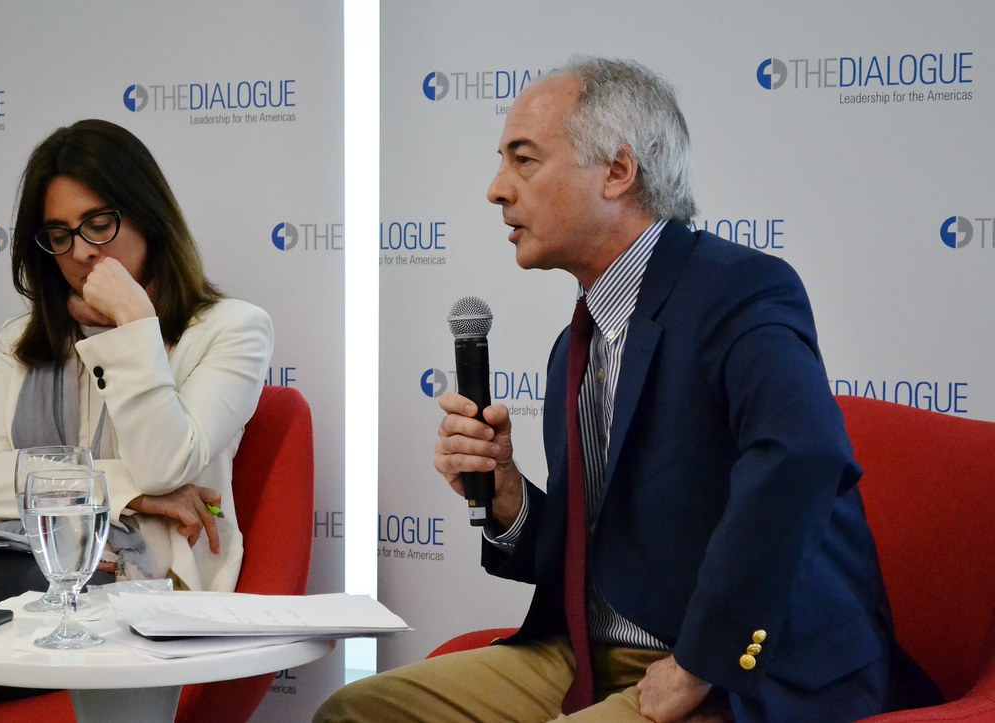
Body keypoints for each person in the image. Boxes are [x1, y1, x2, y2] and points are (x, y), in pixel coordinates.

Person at [316, 58, 940, 722]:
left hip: (734, 669)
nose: (496, 189)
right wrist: (505, 492)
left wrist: (703, 660)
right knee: (358, 711)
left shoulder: (739, 290)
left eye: (524, 160)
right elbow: (604, 554)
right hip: (583, 653)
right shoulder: (574, 345)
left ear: (617, 171)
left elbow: (803, 455)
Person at [0, 119, 273, 607]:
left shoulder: (233, 329)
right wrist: (128, 492)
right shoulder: (23, 337)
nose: (82, 252)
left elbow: (162, 467)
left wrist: (134, 323)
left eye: (98, 225)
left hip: (151, 590)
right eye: (59, 234)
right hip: (15, 570)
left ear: (149, 218)